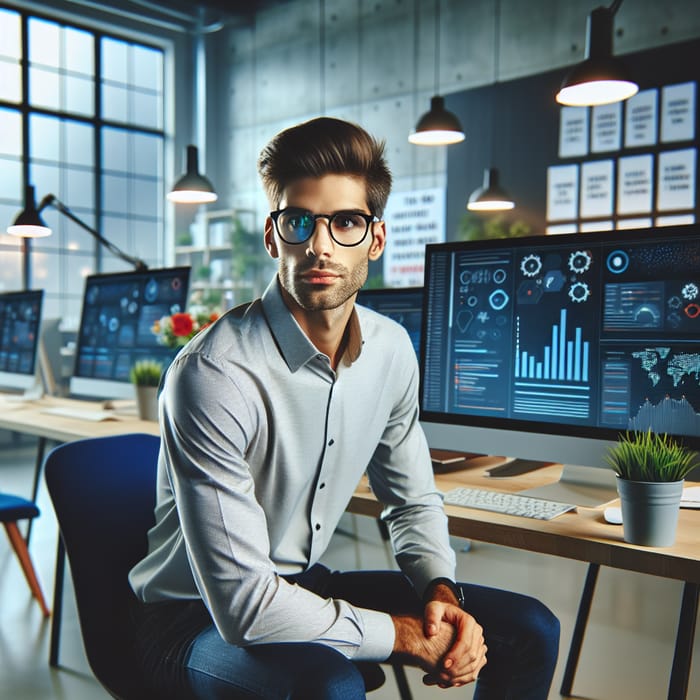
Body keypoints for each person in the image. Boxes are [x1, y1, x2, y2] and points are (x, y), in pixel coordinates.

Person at [129, 116, 560, 699]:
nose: (320, 245)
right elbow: (244, 607)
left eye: (347, 222)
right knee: (328, 685)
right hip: (193, 617)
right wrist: (405, 635)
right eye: (299, 221)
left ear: (375, 238)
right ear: (272, 234)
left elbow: (411, 500)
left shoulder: (390, 349)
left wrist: (439, 592)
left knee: (530, 628)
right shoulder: (212, 374)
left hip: (304, 584)